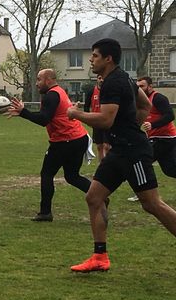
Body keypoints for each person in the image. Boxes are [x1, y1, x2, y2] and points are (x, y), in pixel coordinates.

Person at [67, 38, 176, 272]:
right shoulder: (125, 77)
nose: (91, 60)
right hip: (120, 150)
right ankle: (100, 257)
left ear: (108, 59)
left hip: (133, 152)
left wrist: (76, 114)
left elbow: (106, 119)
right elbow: (145, 105)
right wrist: (131, 125)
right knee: (94, 198)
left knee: (152, 204)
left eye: (95, 55)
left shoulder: (113, 83)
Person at [7, 69, 91, 222]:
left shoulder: (51, 95)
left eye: (39, 79)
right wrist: (23, 112)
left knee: (47, 174)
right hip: (78, 137)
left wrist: (23, 112)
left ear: (48, 80)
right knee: (72, 176)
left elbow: (44, 119)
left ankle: (45, 212)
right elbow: (47, 115)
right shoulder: (59, 92)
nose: (36, 83)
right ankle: (100, 196)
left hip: (65, 140)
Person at [126, 76, 176, 202]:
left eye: (142, 86)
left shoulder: (158, 98)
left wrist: (153, 125)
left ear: (150, 86)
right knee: (169, 169)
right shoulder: (140, 101)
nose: (140, 89)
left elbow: (170, 115)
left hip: (165, 138)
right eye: (138, 86)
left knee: (142, 161)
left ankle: (144, 193)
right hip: (158, 138)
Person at [84, 75, 111, 162]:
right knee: (99, 146)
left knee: (107, 146)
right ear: (97, 79)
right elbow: (86, 106)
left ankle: (109, 165)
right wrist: (88, 119)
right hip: (96, 121)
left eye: (103, 78)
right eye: (99, 78)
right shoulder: (92, 91)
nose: (101, 80)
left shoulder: (109, 91)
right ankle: (101, 165)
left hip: (107, 121)